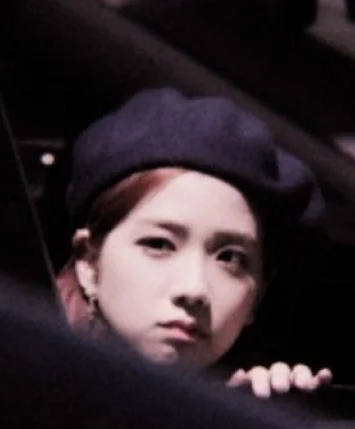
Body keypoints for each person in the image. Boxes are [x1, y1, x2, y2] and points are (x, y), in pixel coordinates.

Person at [56, 88, 332, 397]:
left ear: (258, 295)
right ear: (88, 262)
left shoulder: (245, 406)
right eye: (159, 245)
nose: (194, 289)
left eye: (231, 258)